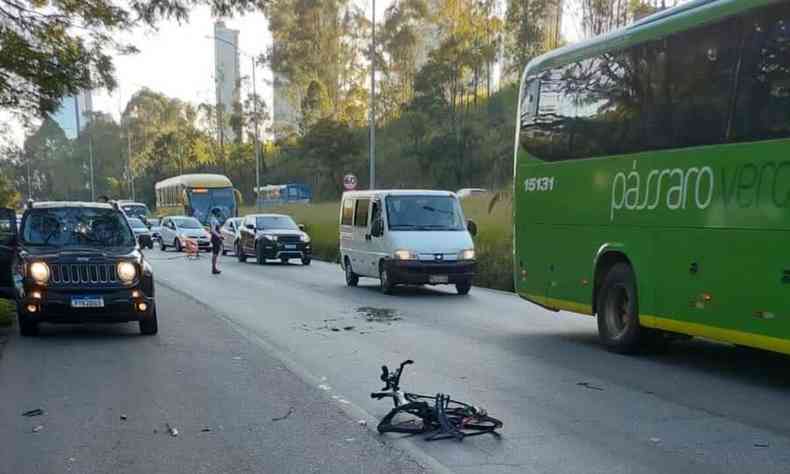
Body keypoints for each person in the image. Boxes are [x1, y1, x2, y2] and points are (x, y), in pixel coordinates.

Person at [209, 208, 224, 275]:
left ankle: (214, 267)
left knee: (216, 253)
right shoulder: (213, 220)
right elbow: (213, 230)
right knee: (215, 253)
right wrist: (219, 236)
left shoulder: (215, 219)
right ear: (215, 212)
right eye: (218, 212)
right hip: (215, 238)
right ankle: (214, 268)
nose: (220, 214)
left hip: (216, 238)